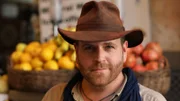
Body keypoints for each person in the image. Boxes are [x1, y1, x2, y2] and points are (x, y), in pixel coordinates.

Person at [42, 1, 167, 101]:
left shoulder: (150, 99)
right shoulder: (55, 97)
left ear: (124, 51)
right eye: (89, 48)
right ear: (77, 51)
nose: (99, 57)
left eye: (109, 47)